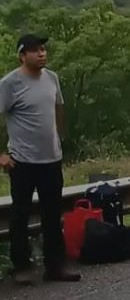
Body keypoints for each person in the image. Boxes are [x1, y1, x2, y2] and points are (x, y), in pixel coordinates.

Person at [0, 34, 80, 284]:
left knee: (53, 214)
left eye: (43, 49)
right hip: (22, 161)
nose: (42, 53)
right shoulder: (10, 83)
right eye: (35, 50)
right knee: (20, 215)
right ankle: (21, 267)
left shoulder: (52, 78)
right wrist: (1, 155)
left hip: (51, 160)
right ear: (22, 56)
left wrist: (58, 138)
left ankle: (55, 266)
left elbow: (58, 107)